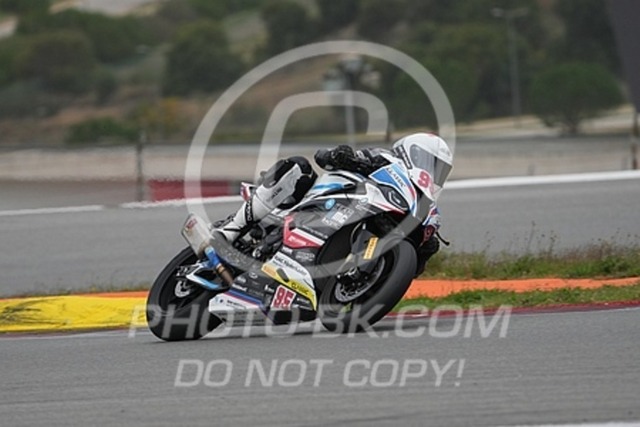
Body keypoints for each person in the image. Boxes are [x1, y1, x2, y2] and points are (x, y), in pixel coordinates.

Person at [214, 132, 453, 276]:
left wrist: (424, 247)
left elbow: (411, 271)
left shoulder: (424, 208)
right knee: (298, 167)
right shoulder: (383, 159)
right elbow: (323, 156)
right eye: (431, 163)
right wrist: (341, 155)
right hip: (318, 202)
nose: (434, 173)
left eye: (441, 170)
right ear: (412, 152)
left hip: (353, 223)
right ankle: (231, 230)